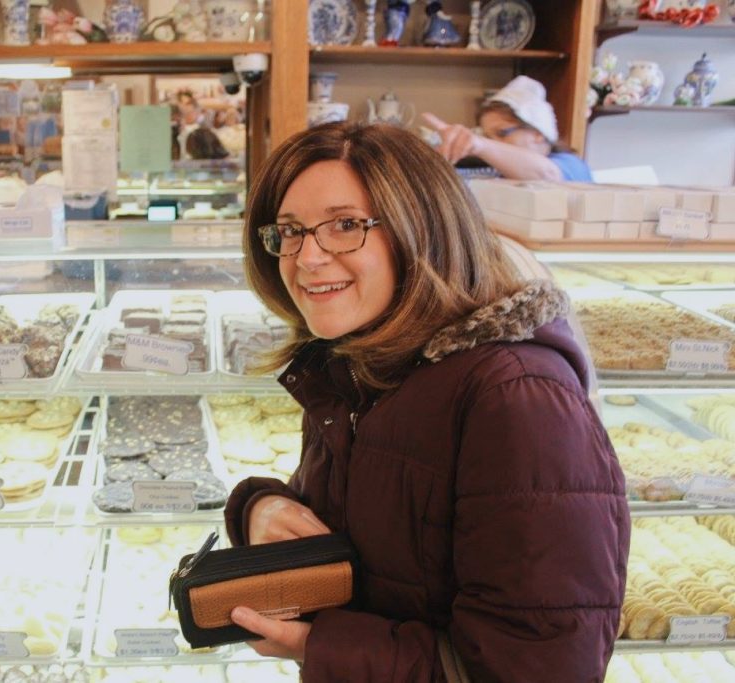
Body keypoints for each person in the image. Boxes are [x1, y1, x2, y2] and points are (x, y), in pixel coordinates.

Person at [224, 122, 629, 681]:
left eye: (345, 226)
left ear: (423, 229)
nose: (306, 257)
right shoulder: (363, 361)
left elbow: (539, 665)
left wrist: (322, 646)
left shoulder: (516, 397)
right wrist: (261, 509)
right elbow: (371, 533)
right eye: (290, 230)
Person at [423, 75, 594, 181]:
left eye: (502, 133)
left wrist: (479, 145)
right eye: (488, 137)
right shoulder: (499, 172)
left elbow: (547, 175)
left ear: (538, 133)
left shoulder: (572, 166)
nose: (493, 144)